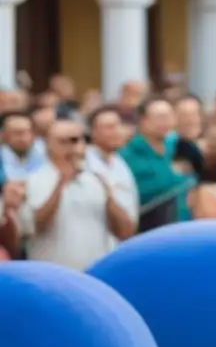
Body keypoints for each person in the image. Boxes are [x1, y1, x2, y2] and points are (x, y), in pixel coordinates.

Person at [22, 119, 135, 270]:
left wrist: (109, 198)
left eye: (77, 140)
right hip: (54, 277)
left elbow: (125, 232)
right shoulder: (33, 180)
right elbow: (36, 226)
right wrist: (60, 184)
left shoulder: (97, 180)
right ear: (48, 144)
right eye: (64, 141)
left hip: (95, 275)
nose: (72, 147)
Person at [120, 97, 193, 232]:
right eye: (160, 117)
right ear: (143, 120)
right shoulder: (127, 154)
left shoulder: (179, 146)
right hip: (148, 229)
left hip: (183, 227)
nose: (166, 122)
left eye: (169, 116)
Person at [84, 106, 139, 249]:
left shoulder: (121, 164)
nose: (116, 131)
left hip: (117, 246)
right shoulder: (83, 163)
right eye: (109, 127)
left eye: (118, 126)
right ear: (93, 132)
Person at [0, 110, 45, 181]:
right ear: (4, 135)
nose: (21, 138)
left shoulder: (48, 153)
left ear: (33, 134)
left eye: (25, 132)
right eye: (16, 133)